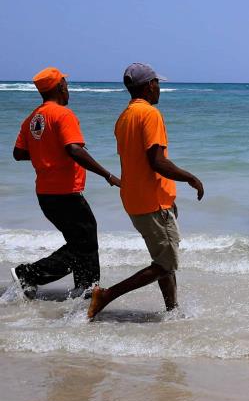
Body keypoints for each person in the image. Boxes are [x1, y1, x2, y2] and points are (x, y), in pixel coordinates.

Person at [87, 63, 204, 321]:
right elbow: (157, 162)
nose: (159, 88)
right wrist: (190, 177)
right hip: (153, 202)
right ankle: (107, 295)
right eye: (157, 83)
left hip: (137, 199)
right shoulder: (149, 114)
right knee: (167, 263)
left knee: (163, 260)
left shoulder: (124, 118)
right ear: (148, 85)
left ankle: (173, 311)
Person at [10, 67, 121, 300]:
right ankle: (32, 275)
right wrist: (108, 175)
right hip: (65, 193)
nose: (68, 89)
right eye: (66, 84)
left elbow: (18, 153)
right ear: (60, 86)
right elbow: (73, 149)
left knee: (80, 241)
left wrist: (46, 152)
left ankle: (84, 288)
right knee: (85, 241)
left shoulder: (31, 119)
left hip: (45, 194)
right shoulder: (63, 115)